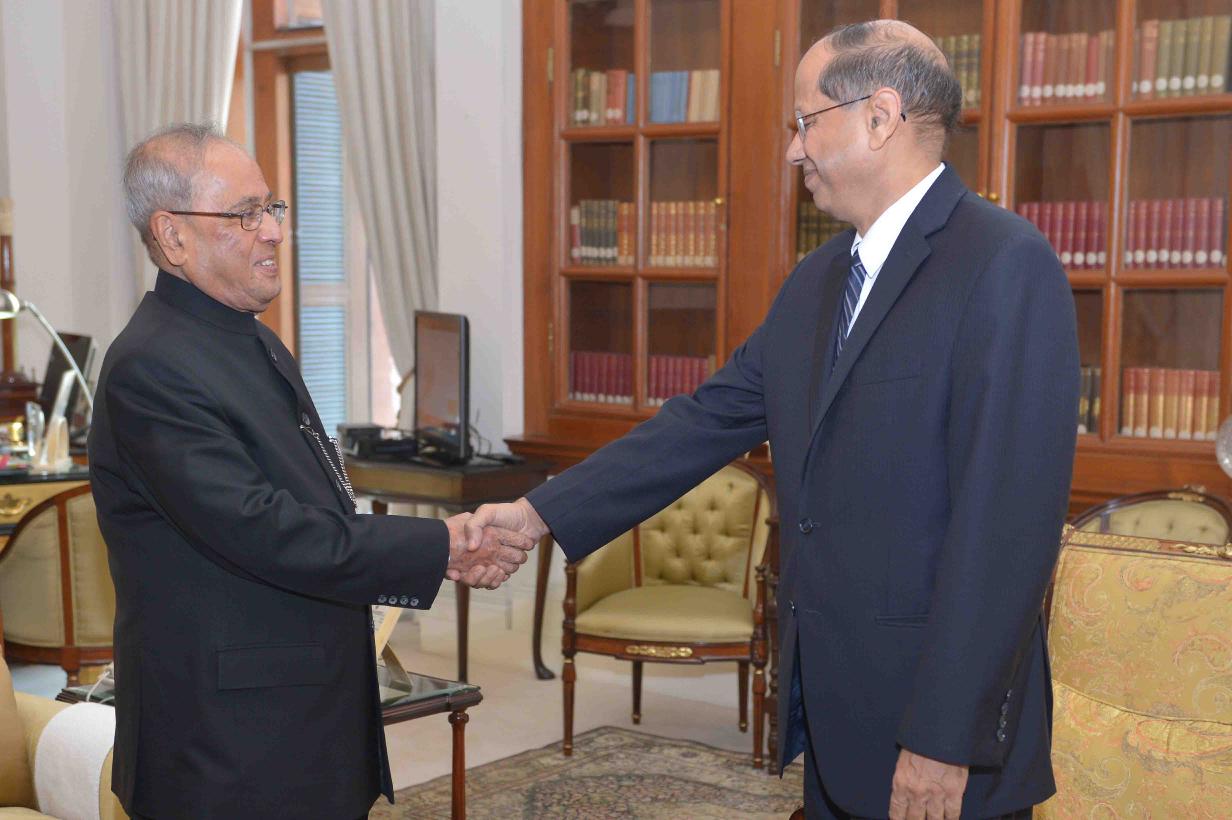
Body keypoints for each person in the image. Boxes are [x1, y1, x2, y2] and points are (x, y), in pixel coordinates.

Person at [468, 20, 1078, 820]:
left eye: (805, 122)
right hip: (832, 713)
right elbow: (701, 423)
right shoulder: (819, 280)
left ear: (879, 116)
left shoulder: (1004, 264)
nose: (793, 151)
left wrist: (943, 739)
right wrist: (536, 514)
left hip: (936, 733)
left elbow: (1006, 532)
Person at [89, 122, 532, 820]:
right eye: (244, 214)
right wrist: (440, 545)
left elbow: (320, 504)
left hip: (298, 717)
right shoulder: (151, 366)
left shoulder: (254, 340)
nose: (272, 231)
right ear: (172, 236)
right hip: (225, 745)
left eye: (272, 207)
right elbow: (263, 530)